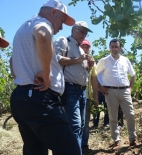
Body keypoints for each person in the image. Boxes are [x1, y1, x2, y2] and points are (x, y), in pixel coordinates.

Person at [10, 0, 81, 154]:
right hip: (40, 99)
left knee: (35, 149)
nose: (61, 27)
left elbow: (11, 60)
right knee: (70, 150)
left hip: (21, 97)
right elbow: (42, 35)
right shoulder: (42, 23)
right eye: (62, 21)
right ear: (53, 12)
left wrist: (23, 80)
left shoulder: (23, 27)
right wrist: (46, 74)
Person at [54, 20, 93, 154]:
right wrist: (79, 59)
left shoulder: (81, 48)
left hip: (82, 91)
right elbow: (57, 59)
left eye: (86, 33)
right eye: (82, 31)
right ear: (74, 29)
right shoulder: (64, 41)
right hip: (70, 90)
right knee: (75, 126)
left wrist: (89, 66)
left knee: (81, 126)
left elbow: (82, 72)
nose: (84, 35)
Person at [95, 39, 138, 149]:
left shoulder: (125, 60)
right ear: (109, 48)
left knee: (130, 115)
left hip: (124, 91)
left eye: (116, 47)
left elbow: (133, 75)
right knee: (113, 117)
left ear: (120, 48)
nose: (114, 49)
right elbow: (94, 75)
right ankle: (116, 140)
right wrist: (100, 88)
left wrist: (131, 88)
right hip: (110, 91)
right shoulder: (104, 61)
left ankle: (132, 139)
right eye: (112, 47)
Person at [80, 39, 98, 151]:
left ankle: (84, 145)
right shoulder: (74, 60)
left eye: (87, 47)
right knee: (76, 123)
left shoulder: (92, 62)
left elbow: (94, 80)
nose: (85, 49)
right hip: (75, 96)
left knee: (86, 123)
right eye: (83, 47)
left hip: (87, 97)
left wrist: (95, 97)